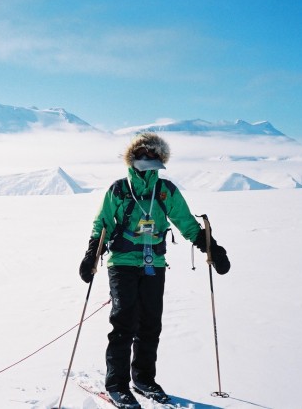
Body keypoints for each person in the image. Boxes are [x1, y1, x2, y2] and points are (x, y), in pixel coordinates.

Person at [79, 133, 230, 409]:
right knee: (124, 322)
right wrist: (92, 254)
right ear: (134, 159)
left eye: (155, 157)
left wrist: (212, 248)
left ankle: (144, 380)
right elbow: (102, 224)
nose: (150, 161)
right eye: (145, 156)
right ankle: (117, 385)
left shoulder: (166, 191)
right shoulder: (119, 190)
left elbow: (187, 223)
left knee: (150, 324)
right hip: (122, 263)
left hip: (153, 264)